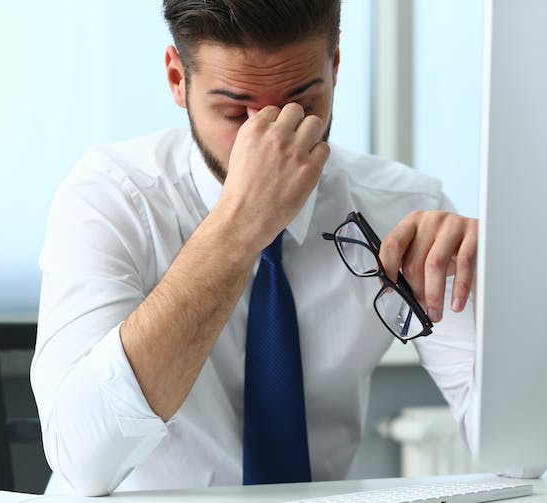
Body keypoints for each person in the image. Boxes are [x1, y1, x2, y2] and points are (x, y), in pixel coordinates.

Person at [31, 0, 478, 496]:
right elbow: (82, 464)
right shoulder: (111, 197)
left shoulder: (403, 209)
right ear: (178, 79)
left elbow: (524, 454)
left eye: (301, 106)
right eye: (233, 111)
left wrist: (505, 276)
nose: (269, 139)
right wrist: (240, 224)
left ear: (334, 65)